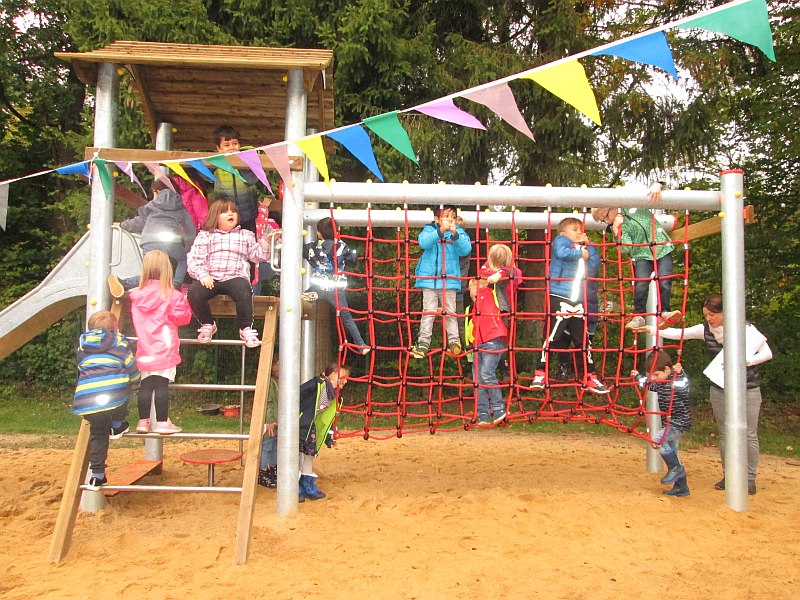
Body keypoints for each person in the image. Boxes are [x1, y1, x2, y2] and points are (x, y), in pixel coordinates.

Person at [653, 293, 772, 494]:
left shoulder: (744, 329)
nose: (709, 319)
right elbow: (678, 333)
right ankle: (730, 475)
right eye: (706, 315)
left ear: (725, 312)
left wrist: (744, 362)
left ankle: (749, 477)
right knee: (725, 432)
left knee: (749, 433)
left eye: (713, 314)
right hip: (719, 387)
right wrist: (651, 328)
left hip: (748, 387)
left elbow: (767, 353)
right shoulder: (706, 330)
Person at [530, 217, 609, 394]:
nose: (579, 232)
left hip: (578, 301)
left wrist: (590, 246)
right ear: (564, 232)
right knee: (551, 336)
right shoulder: (561, 241)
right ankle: (540, 373)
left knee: (584, 340)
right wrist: (581, 253)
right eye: (575, 229)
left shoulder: (583, 248)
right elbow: (561, 253)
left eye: (580, 229)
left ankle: (590, 376)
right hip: (560, 296)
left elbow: (595, 266)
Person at [591, 182, 682, 332]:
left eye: (606, 216)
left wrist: (657, 186)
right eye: (603, 221)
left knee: (665, 280)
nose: (606, 221)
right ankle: (639, 315)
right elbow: (626, 248)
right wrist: (616, 231)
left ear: (613, 206)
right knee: (641, 284)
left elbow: (655, 194)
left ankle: (664, 312)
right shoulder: (621, 226)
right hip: (641, 254)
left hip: (661, 247)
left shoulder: (634, 203)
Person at [186, 199, 270, 348]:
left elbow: (258, 256)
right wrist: (203, 274)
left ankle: (245, 327)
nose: (230, 214)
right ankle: (207, 323)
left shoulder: (246, 235)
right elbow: (195, 258)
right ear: (215, 216)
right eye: (225, 212)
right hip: (211, 278)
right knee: (194, 292)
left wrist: (266, 241)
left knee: (244, 290)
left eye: (233, 211)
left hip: (235, 276)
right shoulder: (206, 236)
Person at [72, 310, 140, 490]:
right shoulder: (119, 342)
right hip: (113, 391)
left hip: (87, 397)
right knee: (125, 388)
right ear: (115, 327)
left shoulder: (82, 345)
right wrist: (136, 381)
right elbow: (130, 365)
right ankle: (117, 424)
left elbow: (80, 367)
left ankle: (97, 476)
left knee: (98, 434)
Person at [128, 250, 193, 434]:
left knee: (146, 384)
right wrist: (184, 301)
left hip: (145, 346)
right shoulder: (171, 295)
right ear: (167, 270)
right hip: (165, 346)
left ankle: (143, 421)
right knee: (162, 384)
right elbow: (183, 318)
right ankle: (163, 422)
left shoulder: (137, 296)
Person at [110, 178, 196, 292]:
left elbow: (139, 221)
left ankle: (125, 283)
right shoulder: (179, 206)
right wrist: (187, 248)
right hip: (171, 242)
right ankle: (176, 284)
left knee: (149, 271)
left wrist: (122, 225)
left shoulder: (153, 205)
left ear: (157, 191)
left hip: (149, 240)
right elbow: (190, 228)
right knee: (182, 260)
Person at [411, 205, 472, 358]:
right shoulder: (429, 230)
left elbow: (466, 249)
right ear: (437, 219)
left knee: (450, 312)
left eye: (452, 217)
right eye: (446, 217)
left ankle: (454, 341)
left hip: (449, 280)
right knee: (429, 312)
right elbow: (423, 243)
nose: (449, 220)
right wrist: (440, 232)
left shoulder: (458, 233)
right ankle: (423, 342)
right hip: (430, 280)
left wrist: (455, 234)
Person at [631, 350, 692, 497]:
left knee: (657, 440)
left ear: (667, 369)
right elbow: (648, 384)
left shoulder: (676, 379)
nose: (654, 378)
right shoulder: (659, 382)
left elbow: (685, 388)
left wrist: (681, 372)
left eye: (656, 375)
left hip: (679, 423)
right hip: (669, 423)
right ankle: (681, 487)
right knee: (672, 452)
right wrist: (637, 376)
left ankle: (676, 469)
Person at [304, 217, 369, 354]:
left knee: (303, 298)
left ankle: (313, 295)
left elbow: (300, 251)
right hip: (336, 288)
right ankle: (361, 344)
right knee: (346, 316)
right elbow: (353, 261)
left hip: (319, 284)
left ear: (319, 233)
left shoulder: (312, 247)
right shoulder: (341, 246)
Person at [298, 363, 350, 501]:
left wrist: (328, 438)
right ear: (333, 375)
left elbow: (326, 420)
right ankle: (293, 485)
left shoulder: (334, 396)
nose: (346, 380)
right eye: (343, 376)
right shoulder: (318, 383)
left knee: (309, 454)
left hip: (311, 428)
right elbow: (298, 393)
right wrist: (296, 417)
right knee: (294, 454)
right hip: (299, 425)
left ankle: (306, 483)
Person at [469, 259, 510, 426]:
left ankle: (499, 408)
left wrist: (496, 275)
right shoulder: (472, 308)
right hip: (478, 345)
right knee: (478, 379)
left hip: (494, 339)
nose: (471, 291)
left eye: (473, 287)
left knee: (487, 374)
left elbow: (513, 272)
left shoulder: (491, 292)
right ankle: (483, 413)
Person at [477, 243, 522, 382]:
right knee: (489, 338)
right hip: (485, 311)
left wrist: (500, 272)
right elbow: (482, 276)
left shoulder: (511, 271)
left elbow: (515, 275)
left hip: (500, 310)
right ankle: (495, 367)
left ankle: (504, 368)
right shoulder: (486, 270)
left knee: (499, 339)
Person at [211, 125, 264, 233]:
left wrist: (241, 162)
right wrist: (215, 161)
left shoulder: (248, 158)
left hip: (248, 215)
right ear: (218, 148)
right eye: (226, 145)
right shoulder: (215, 162)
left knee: (248, 243)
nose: (231, 148)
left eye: (235, 143)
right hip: (224, 215)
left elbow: (251, 180)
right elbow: (203, 175)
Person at [251, 195, 281, 296]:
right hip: (268, 263)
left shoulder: (268, 225)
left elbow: (259, 227)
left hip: (264, 263)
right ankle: (253, 302)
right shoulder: (273, 225)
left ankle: (253, 302)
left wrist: (263, 208)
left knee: (253, 270)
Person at [258, 357, 280, 488]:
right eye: (278, 365)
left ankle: (273, 469)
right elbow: (269, 402)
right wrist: (270, 420)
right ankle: (262, 473)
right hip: (269, 421)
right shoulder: (270, 382)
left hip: (277, 420)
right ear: (272, 366)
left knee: (274, 445)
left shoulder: (277, 382)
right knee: (267, 446)